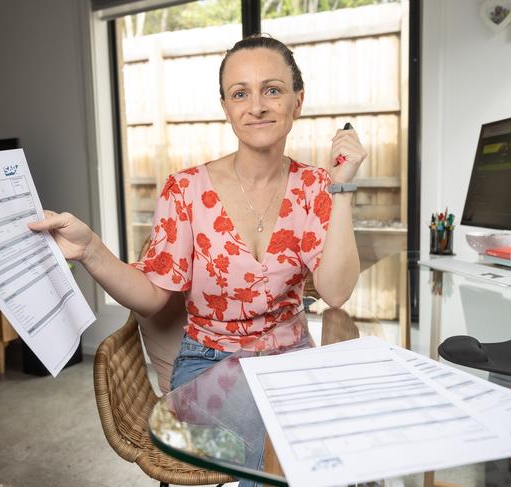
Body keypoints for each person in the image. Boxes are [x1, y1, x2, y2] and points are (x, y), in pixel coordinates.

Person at [29, 34, 366, 484]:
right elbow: (151, 298)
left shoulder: (316, 187)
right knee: (282, 446)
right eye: (240, 93)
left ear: (296, 101)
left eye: (272, 89)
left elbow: (336, 291)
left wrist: (341, 185)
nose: (257, 106)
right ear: (226, 107)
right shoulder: (185, 190)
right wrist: (90, 248)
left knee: (347, 433)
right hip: (209, 366)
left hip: (289, 361)